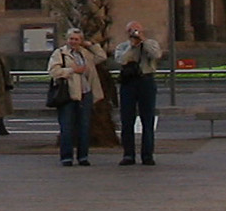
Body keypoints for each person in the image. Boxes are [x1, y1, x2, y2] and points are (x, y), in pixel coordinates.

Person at [47, 27, 106, 166]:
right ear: (67, 39)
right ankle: (66, 157)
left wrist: (91, 45)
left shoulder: (86, 54)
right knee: (67, 126)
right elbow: (53, 71)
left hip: (85, 93)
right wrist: (72, 70)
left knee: (84, 126)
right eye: (71, 39)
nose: (73, 42)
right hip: (68, 95)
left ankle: (83, 156)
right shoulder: (60, 53)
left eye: (77, 39)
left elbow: (101, 57)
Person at [113, 20, 162, 166]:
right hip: (129, 83)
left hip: (146, 80)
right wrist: (131, 46)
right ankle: (128, 154)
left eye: (136, 30)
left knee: (148, 119)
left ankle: (147, 155)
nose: (134, 33)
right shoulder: (122, 46)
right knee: (127, 119)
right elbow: (121, 60)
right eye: (131, 31)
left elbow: (156, 55)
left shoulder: (151, 43)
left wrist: (143, 41)